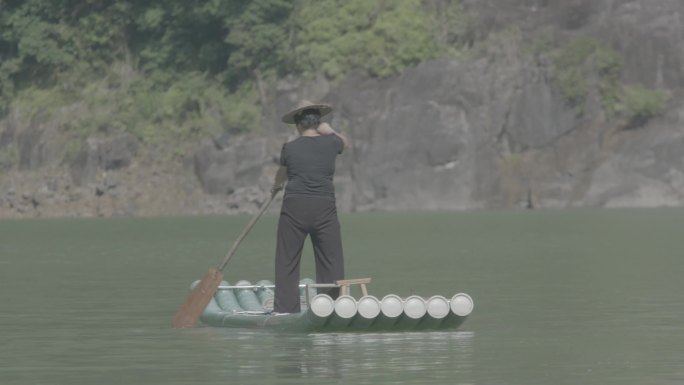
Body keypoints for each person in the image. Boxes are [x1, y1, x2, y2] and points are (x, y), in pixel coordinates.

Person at [271, 101, 349, 313]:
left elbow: (282, 173)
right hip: (324, 207)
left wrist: (276, 186)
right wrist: (330, 130)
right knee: (330, 258)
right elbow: (345, 143)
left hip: (295, 206)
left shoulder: (290, 148)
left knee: (287, 259)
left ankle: (286, 309)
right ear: (318, 122)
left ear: (298, 125)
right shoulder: (332, 143)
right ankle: (331, 306)